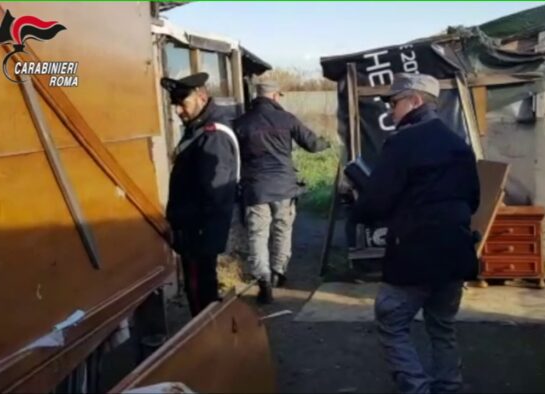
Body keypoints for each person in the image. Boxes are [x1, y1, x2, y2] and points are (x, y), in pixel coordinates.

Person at [350, 73, 480, 394]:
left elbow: (376, 202)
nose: (391, 111)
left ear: (415, 101)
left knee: (392, 322)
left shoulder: (402, 143)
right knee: (442, 327)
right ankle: (448, 387)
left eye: (394, 103)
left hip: (414, 254)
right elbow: (473, 199)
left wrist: (361, 203)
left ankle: (416, 388)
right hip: (456, 253)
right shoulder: (458, 144)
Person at [234, 81, 330, 304]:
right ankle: (279, 272)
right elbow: (313, 145)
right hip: (284, 187)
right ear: (275, 96)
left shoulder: (241, 123)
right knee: (282, 230)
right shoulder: (286, 119)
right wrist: (326, 143)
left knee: (258, 235)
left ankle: (263, 279)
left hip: (256, 188)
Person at [160, 72, 240, 316]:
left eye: (182, 104)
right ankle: (209, 336)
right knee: (202, 288)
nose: (177, 111)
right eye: (174, 105)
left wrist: (187, 227)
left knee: (199, 293)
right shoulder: (199, 128)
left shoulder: (212, 135)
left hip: (198, 233)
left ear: (202, 97)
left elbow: (214, 193)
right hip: (197, 231)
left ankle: (207, 341)